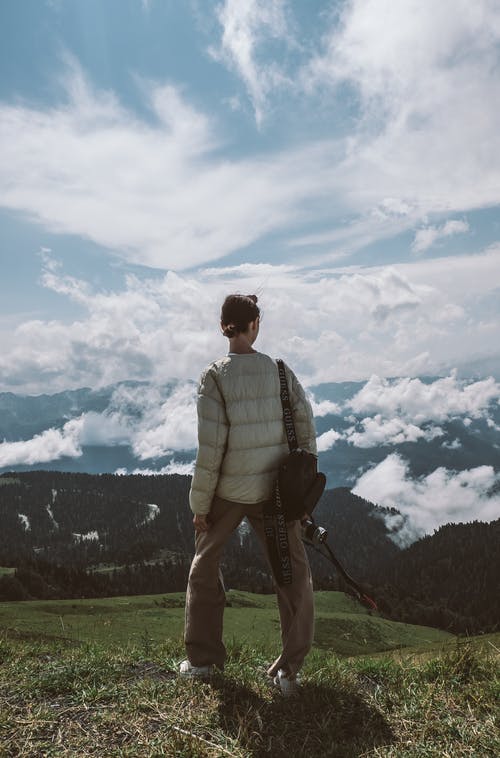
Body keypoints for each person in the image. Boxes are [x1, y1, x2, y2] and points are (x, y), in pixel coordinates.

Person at [179, 293, 317, 696]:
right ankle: (289, 672)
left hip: (229, 489)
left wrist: (200, 505)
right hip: (277, 491)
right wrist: (304, 494)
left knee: (203, 568)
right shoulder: (279, 370)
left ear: (223, 326)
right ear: (255, 324)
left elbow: (211, 449)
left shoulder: (214, 376)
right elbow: (305, 433)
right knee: (293, 574)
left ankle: (203, 661)